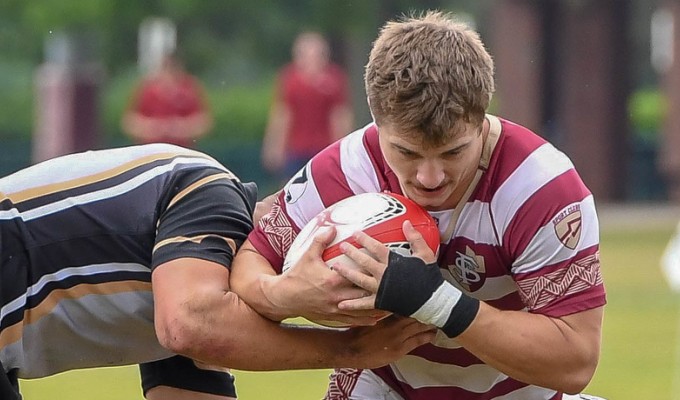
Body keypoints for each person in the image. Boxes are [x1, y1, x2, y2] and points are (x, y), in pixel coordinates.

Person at [230, 11, 606, 400]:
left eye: (453, 152)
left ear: (482, 119)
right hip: (382, 386)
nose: (430, 177)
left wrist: (436, 301)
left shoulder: (539, 187)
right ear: (376, 121)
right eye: (406, 152)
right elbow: (251, 261)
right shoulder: (347, 169)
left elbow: (575, 360)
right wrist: (284, 294)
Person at [0, 143, 436, 400]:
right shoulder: (212, 192)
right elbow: (188, 324)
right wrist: (351, 350)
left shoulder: (201, 283)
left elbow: (194, 351)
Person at [261, 31, 354, 184]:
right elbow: (283, 115)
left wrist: (343, 149)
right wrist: (274, 146)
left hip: (324, 149)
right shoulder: (290, 79)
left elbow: (340, 116)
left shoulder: (334, 79)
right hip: (295, 149)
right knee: (290, 189)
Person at [122, 52, 213, 148]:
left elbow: (204, 122)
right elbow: (130, 122)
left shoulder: (189, 87)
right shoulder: (147, 89)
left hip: (181, 150)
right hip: (151, 150)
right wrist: (153, 128)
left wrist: (181, 128)